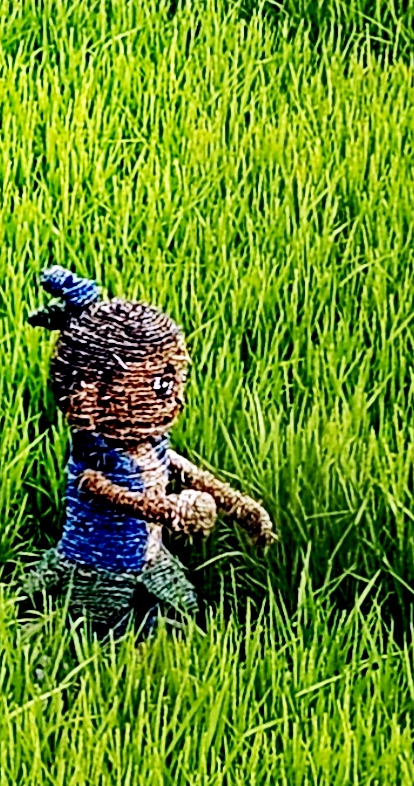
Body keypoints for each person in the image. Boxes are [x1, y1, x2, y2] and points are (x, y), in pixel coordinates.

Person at [19, 268, 272, 634]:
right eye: (160, 385)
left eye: (175, 381)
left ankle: (157, 641)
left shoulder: (154, 447)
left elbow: (189, 473)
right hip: (98, 567)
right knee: (87, 626)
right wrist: (169, 511)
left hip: (152, 559)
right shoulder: (97, 459)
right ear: (90, 395)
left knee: (184, 609)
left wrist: (239, 506)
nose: (175, 399)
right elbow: (109, 493)